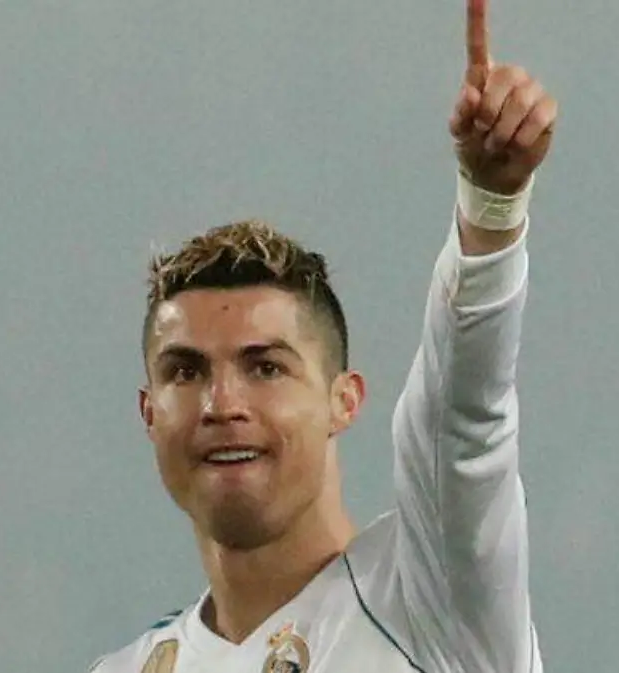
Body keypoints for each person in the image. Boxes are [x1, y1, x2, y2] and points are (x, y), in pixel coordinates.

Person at [89, 1, 557, 670]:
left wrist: (491, 204)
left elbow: (463, 419)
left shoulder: (435, 599)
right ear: (148, 412)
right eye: (186, 371)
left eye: (265, 367)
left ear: (344, 400)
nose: (222, 404)